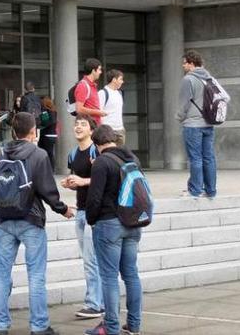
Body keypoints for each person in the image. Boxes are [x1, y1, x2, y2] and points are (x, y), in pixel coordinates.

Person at [0, 112, 74, 335]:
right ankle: (39, 326)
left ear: (14, 131)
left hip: (4, 220)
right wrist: (62, 209)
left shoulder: (2, 152)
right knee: (35, 275)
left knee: (1, 274)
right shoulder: (38, 154)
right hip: (31, 220)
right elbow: (47, 190)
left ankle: (0, 325)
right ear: (34, 131)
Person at [84, 124, 143, 335]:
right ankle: (134, 325)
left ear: (97, 143)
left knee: (109, 277)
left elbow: (95, 197)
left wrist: (91, 220)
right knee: (131, 274)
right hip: (133, 223)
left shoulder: (102, 162)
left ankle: (111, 327)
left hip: (109, 224)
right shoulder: (132, 160)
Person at [60, 115, 104, 320]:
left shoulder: (97, 152)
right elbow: (81, 180)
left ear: (92, 131)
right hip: (80, 211)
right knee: (89, 259)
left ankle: (95, 304)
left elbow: (103, 179)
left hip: (95, 213)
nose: (78, 127)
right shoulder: (73, 154)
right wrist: (71, 183)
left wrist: (82, 181)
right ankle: (98, 301)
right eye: (76, 124)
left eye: (83, 124)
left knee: (91, 260)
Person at [177, 50, 218, 199]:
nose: (183, 66)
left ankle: (195, 190)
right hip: (208, 123)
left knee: (195, 158)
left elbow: (184, 102)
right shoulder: (209, 78)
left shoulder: (188, 80)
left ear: (191, 63)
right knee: (209, 157)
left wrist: (179, 117)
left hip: (193, 124)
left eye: (184, 63)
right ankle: (211, 190)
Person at [75, 59, 107, 127]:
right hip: (89, 127)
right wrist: (98, 112)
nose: (100, 72)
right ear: (93, 71)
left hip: (94, 126)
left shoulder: (91, 85)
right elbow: (79, 109)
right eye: (99, 69)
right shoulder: (83, 85)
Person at [99, 70, 126, 147]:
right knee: (109, 154)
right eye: (120, 79)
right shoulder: (103, 93)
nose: (122, 81)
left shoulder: (119, 93)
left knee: (119, 155)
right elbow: (98, 112)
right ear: (114, 79)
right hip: (108, 130)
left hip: (120, 130)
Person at [38, 96, 58, 168]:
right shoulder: (54, 111)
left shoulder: (45, 111)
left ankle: (49, 168)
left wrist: (40, 125)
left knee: (46, 153)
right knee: (50, 153)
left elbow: (46, 122)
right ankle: (51, 168)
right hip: (52, 135)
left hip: (46, 134)